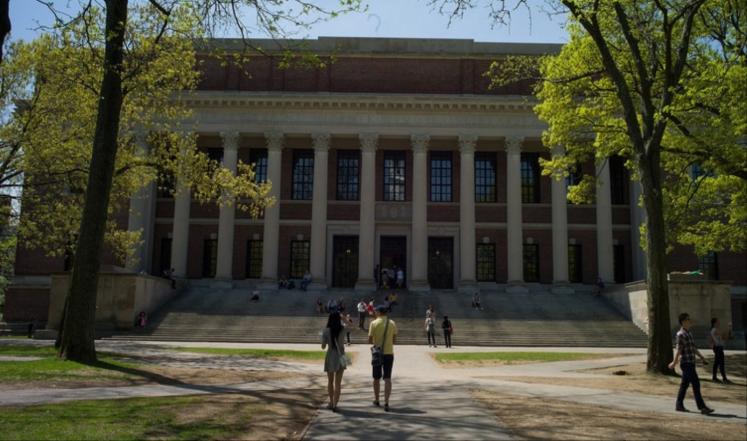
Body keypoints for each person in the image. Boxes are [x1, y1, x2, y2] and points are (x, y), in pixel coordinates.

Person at [668, 312, 714, 414]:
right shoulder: (680, 335)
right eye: (688, 319)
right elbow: (679, 350)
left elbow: (693, 348)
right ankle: (702, 407)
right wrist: (674, 363)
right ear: (683, 322)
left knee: (684, 385)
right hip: (686, 363)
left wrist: (702, 358)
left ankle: (679, 405)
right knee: (696, 384)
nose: (690, 321)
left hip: (691, 362)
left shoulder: (689, 333)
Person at [368, 304, 398, 412]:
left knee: (376, 378)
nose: (374, 313)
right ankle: (386, 402)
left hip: (377, 353)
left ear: (379, 312)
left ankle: (377, 399)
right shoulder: (392, 323)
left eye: (376, 311)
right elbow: (394, 340)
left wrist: (377, 341)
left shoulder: (374, 323)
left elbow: (370, 341)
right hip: (389, 353)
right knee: (387, 378)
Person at [321, 311, 347, 412]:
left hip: (331, 355)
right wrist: (344, 318)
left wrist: (323, 339)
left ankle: (331, 402)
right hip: (342, 355)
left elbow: (323, 347)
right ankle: (336, 405)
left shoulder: (326, 331)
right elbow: (353, 326)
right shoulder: (343, 329)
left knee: (330, 381)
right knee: (338, 383)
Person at [709, 318, 733, 384]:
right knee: (720, 363)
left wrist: (729, 330)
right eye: (718, 322)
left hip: (719, 347)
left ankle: (715, 377)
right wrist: (728, 328)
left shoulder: (715, 330)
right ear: (714, 323)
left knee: (717, 363)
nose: (719, 323)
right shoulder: (714, 330)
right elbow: (722, 335)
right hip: (717, 348)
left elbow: (724, 337)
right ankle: (723, 378)